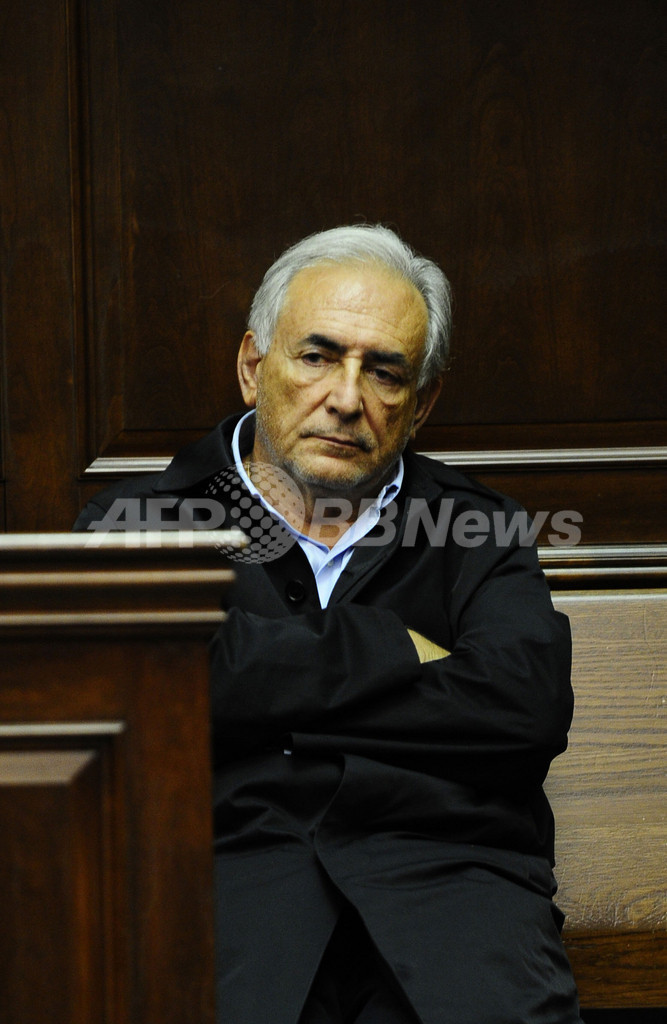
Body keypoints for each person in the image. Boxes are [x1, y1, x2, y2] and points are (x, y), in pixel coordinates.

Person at [75, 225, 583, 1023]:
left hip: (450, 898)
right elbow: (145, 696)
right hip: (223, 889)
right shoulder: (137, 521)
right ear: (254, 367)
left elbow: (522, 710)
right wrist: (392, 645)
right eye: (316, 356)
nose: (346, 399)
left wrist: (255, 696)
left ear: (421, 404)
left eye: (384, 372)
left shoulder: (478, 528)